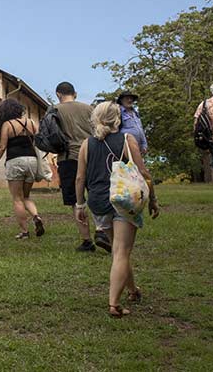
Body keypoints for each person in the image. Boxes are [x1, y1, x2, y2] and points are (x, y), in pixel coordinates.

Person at [75, 101, 160, 318]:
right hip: (123, 200)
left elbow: (80, 177)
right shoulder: (126, 139)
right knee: (121, 251)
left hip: (98, 202)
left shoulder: (86, 144)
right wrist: (153, 200)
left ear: (96, 119)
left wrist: (79, 204)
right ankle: (114, 304)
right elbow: (143, 171)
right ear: (118, 119)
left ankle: (133, 290)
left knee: (118, 250)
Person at [0, 98, 44, 239]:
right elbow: (39, 141)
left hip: (15, 161)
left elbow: (2, 147)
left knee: (17, 199)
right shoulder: (31, 122)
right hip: (32, 161)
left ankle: (25, 232)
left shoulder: (7, 125)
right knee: (26, 196)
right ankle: (36, 217)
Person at [53, 82, 99, 252]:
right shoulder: (89, 109)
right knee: (96, 193)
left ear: (58, 94)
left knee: (76, 200)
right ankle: (102, 230)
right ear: (76, 93)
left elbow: (49, 135)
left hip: (68, 157)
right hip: (92, 154)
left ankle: (87, 240)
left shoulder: (55, 110)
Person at [117, 92, 148, 156]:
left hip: (137, 148)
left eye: (131, 98)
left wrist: (144, 145)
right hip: (125, 148)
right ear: (121, 100)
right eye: (127, 98)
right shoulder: (118, 112)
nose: (129, 100)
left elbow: (140, 129)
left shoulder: (136, 113)